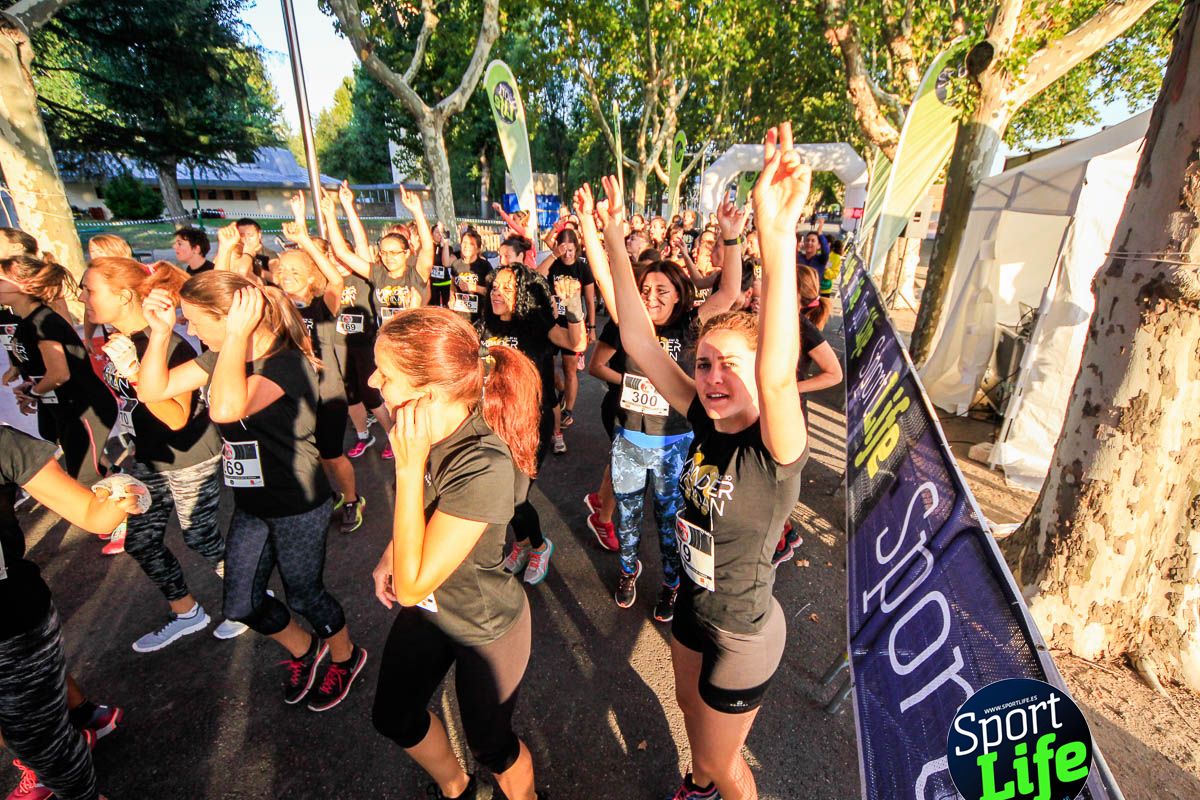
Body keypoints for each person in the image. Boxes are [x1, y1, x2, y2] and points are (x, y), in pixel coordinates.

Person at [597, 120, 810, 800]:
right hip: (692, 603)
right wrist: (613, 240)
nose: (713, 376)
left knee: (728, 763)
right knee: (688, 710)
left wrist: (774, 235)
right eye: (706, 363)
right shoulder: (700, 416)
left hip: (742, 633)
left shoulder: (775, 446)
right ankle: (697, 782)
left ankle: (714, 782)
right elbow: (638, 340)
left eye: (730, 366)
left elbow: (778, 376)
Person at [136, 273, 367, 712]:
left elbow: (227, 408)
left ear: (234, 319)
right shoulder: (222, 356)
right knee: (241, 603)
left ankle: (345, 656)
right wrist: (161, 333)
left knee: (305, 595)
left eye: (196, 320)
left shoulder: (285, 364)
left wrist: (236, 336)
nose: (191, 328)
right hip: (252, 504)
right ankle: (305, 649)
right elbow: (152, 390)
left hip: (298, 503)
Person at [368, 308, 544, 800]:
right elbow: (427, 508)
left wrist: (407, 468)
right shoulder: (425, 429)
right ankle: (456, 788)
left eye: (385, 374)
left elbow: (410, 589)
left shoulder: (482, 462)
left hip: (484, 627)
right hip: (433, 610)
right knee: (394, 716)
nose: (373, 381)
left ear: (427, 391)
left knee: (491, 747)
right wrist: (391, 552)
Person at [578, 184, 746, 621]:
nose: (650, 298)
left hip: (676, 446)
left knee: (671, 524)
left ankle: (672, 584)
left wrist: (731, 238)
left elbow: (730, 290)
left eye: (661, 291)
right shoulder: (631, 324)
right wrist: (591, 225)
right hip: (629, 443)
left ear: (680, 295)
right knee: (628, 519)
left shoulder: (693, 325)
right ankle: (628, 571)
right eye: (645, 290)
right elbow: (604, 275)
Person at [80, 257, 249, 650]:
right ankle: (187, 612)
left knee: (200, 537)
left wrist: (134, 370)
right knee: (141, 540)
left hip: (189, 455)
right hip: (149, 456)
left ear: (124, 296)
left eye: (90, 290)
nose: (83, 298)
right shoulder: (119, 338)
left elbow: (175, 418)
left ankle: (251, 600)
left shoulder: (166, 343)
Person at [0, 424, 146, 800]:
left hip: (12, 626)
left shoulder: (3, 444)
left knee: (42, 745)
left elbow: (91, 514)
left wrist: (118, 499)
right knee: (28, 733)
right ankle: (70, 731)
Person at [479, 257, 585, 586]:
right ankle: (522, 542)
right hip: (495, 420)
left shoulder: (537, 325)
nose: (497, 292)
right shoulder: (487, 325)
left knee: (515, 497)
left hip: (530, 423)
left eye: (507, 288)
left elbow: (576, 343)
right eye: (495, 286)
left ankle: (539, 546)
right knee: (500, 494)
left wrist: (573, 307)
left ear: (523, 294)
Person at [0, 256, 119, 512]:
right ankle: (118, 488)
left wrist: (34, 393)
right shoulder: (24, 323)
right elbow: (42, 371)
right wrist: (27, 387)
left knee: (85, 478)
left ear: (24, 285)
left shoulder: (44, 322)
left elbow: (59, 374)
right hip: (64, 409)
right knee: (87, 467)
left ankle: (118, 520)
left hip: (85, 409)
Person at [288, 191, 394, 461]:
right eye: (334, 258)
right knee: (351, 397)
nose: (338, 261)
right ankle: (363, 435)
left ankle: (392, 436)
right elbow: (308, 259)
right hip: (338, 347)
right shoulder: (325, 284)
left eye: (341, 256)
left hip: (364, 347)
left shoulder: (363, 275)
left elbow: (360, 243)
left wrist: (344, 207)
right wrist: (299, 218)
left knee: (372, 396)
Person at [276, 224, 366, 534]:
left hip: (328, 393)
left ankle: (352, 500)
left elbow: (336, 280)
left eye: (294, 270)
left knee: (331, 453)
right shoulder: (278, 307)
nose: (286, 274)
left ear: (312, 276)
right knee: (310, 454)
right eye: (282, 269)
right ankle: (329, 496)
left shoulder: (322, 305)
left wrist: (304, 240)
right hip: (295, 394)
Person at [325, 187, 433, 325]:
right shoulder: (378, 273)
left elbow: (427, 247)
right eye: (384, 253)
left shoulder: (416, 275)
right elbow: (342, 252)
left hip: (411, 335)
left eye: (394, 253)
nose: (389, 257)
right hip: (384, 336)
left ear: (406, 253)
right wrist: (332, 214)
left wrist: (417, 211)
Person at [538, 229, 596, 452]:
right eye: (563, 249)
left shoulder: (582, 268)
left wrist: (591, 327)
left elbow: (589, 300)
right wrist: (554, 254)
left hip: (574, 325)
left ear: (577, 248)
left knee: (569, 368)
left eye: (571, 250)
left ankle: (568, 410)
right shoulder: (553, 264)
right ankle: (561, 392)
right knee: (549, 367)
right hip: (553, 324)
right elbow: (537, 275)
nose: (567, 254)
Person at [448, 229, 492, 321]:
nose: (466, 246)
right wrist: (452, 297)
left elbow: (490, 291)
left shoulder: (485, 266)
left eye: (471, 244)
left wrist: (473, 287)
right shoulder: (456, 264)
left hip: (478, 317)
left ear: (478, 249)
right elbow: (452, 284)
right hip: (459, 316)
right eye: (464, 242)